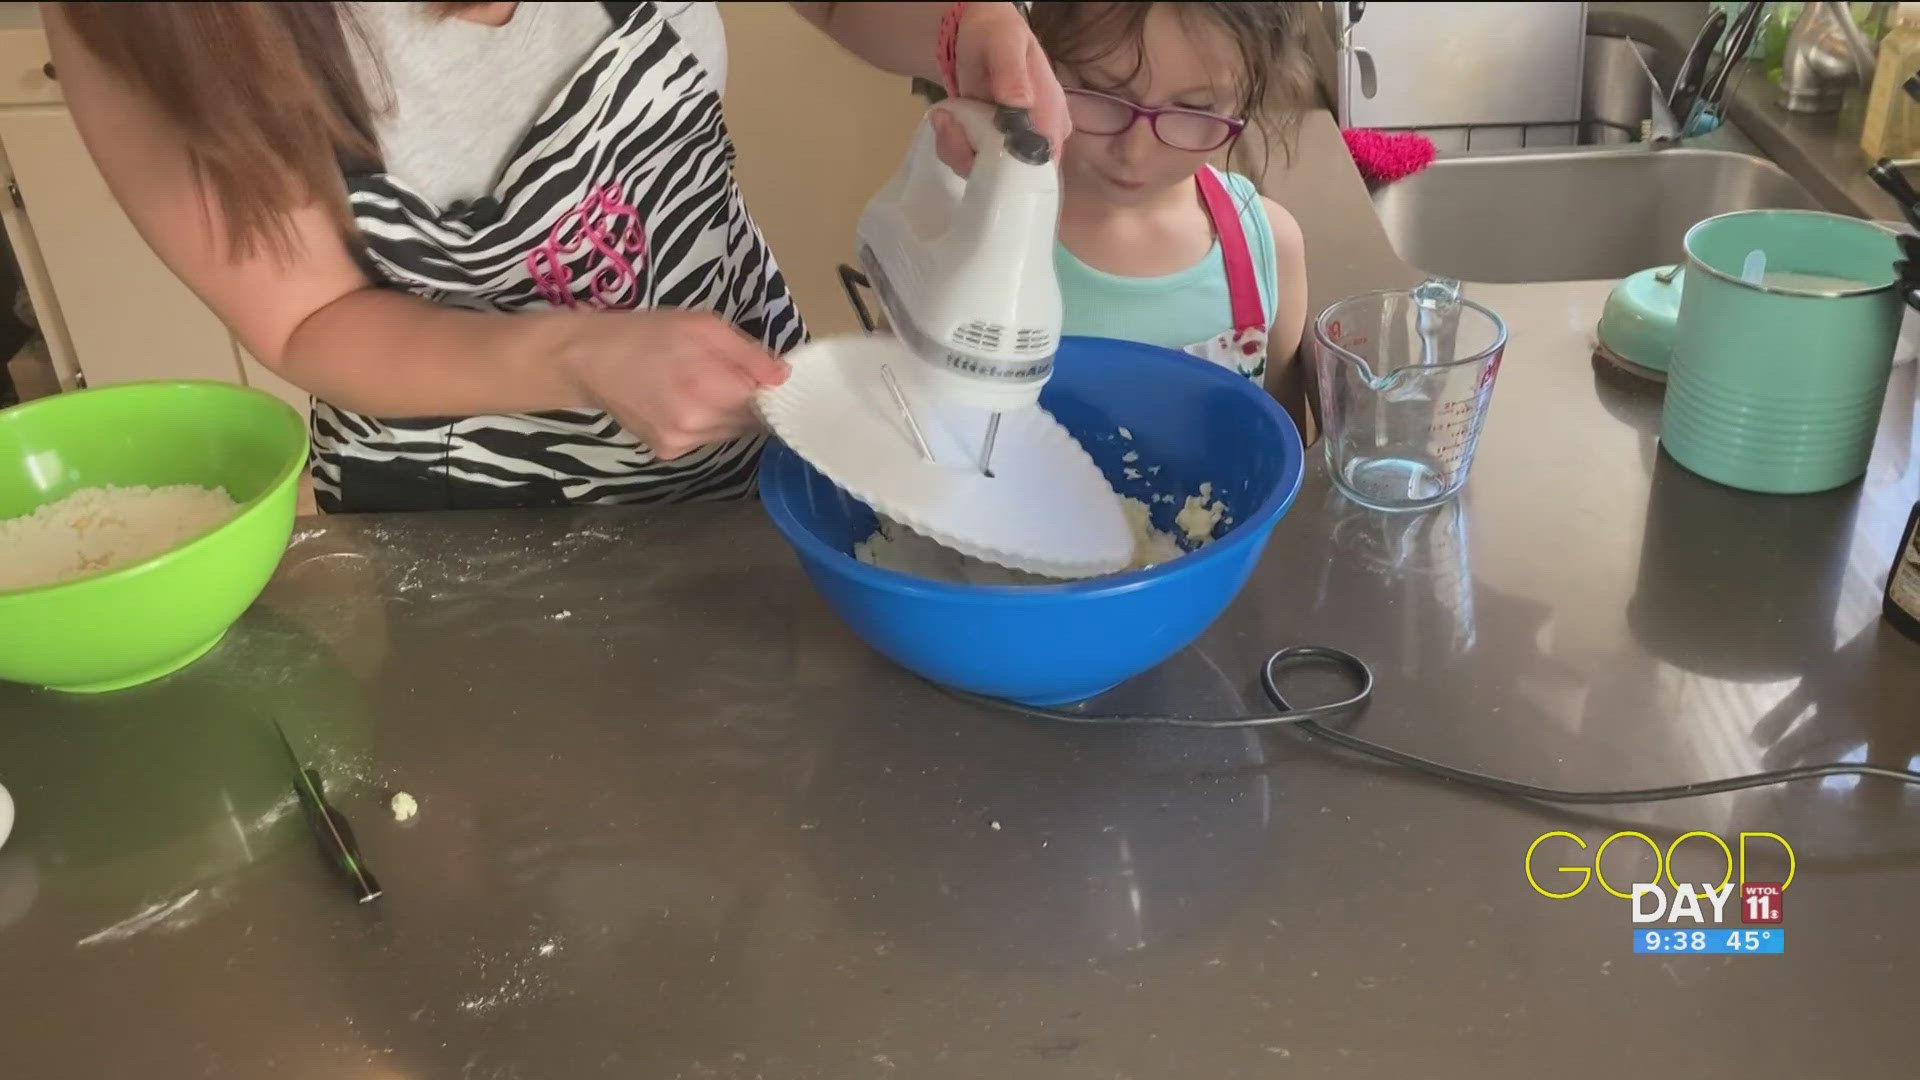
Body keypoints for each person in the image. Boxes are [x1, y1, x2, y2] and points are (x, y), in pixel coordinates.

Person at [44, 1, 1069, 512]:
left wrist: (957, 27)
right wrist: (571, 357)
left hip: (751, 433)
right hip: (475, 513)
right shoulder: (158, 24)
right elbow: (305, 319)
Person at [1029, 2, 1318, 437]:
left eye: (1193, 108)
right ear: (1039, 61)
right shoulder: (983, 232)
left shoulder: (1267, 246)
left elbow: (1276, 444)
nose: (1135, 152)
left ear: (1246, 100)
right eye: (1100, 91)